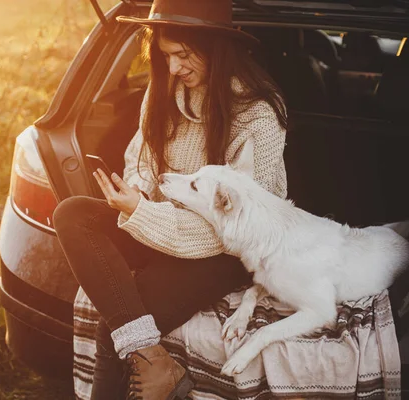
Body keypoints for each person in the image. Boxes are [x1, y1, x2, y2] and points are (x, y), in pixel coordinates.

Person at [53, 0, 288, 398]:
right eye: (166, 55)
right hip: (159, 222)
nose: (174, 67)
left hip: (221, 253)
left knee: (116, 326)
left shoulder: (257, 116)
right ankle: (154, 359)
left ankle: (149, 361)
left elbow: (246, 228)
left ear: (216, 47)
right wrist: (138, 193)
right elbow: (141, 161)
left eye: (183, 54)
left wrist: (143, 214)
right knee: (73, 213)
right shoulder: (163, 92)